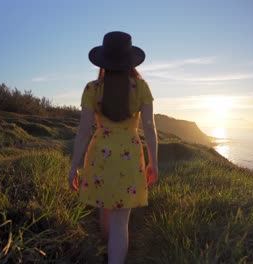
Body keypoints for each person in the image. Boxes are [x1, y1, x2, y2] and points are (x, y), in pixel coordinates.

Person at [68, 31, 158, 264]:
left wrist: (73, 167)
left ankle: (106, 249)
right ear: (130, 61)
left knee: (103, 205)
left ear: (103, 61)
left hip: (100, 154)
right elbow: (149, 128)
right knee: (121, 223)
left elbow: (83, 130)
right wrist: (153, 163)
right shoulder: (141, 88)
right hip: (130, 155)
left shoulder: (92, 89)